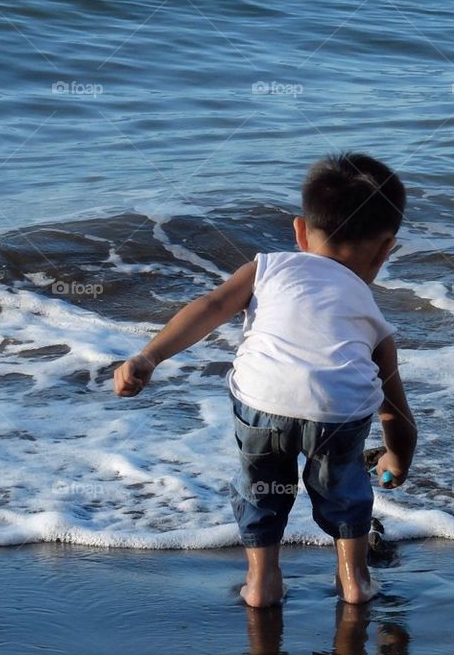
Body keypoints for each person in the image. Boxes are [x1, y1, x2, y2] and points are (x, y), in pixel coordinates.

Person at [113, 153, 417, 608]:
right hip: (338, 413)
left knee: (261, 490)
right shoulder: (373, 318)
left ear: (299, 231)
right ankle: (354, 581)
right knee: (345, 492)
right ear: (386, 248)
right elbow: (394, 410)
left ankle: (262, 582)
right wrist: (398, 458)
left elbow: (211, 308)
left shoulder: (269, 267)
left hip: (262, 403)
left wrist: (150, 355)